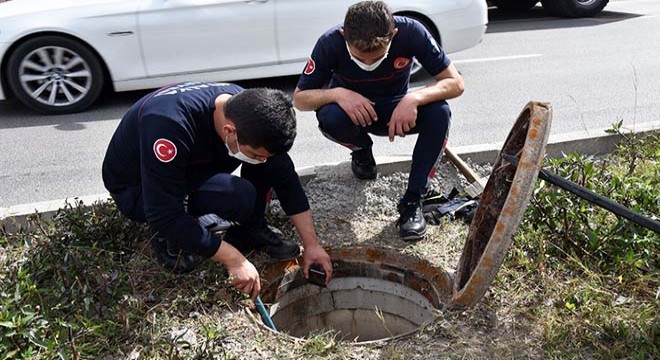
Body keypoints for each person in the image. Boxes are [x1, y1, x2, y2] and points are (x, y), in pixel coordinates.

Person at [102, 81, 333, 300]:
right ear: (229, 131)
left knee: (245, 192)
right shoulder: (169, 125)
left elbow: (285, 178)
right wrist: (232, 258)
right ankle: (167, 236)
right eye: (255, 154)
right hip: (139, 187)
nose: (260, 160)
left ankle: (250, 229)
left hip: (191, 170)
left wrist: (311, 244)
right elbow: (163, 212)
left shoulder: (247, 109)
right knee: (170, 216)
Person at [293, 0, 464, 241]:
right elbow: (300, 99)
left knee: (439, 112)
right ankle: (362, 150)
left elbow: (455, 83)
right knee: (329, 116)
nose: (369, 63)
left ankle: (413, 201)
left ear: (393, 35)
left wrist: (414, 99)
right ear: (344, 35)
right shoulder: (330, 42)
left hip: (397, 111)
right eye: (361, 57)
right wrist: (339, 94)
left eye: (378, 56)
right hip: (354, 114)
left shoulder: (412, 31)